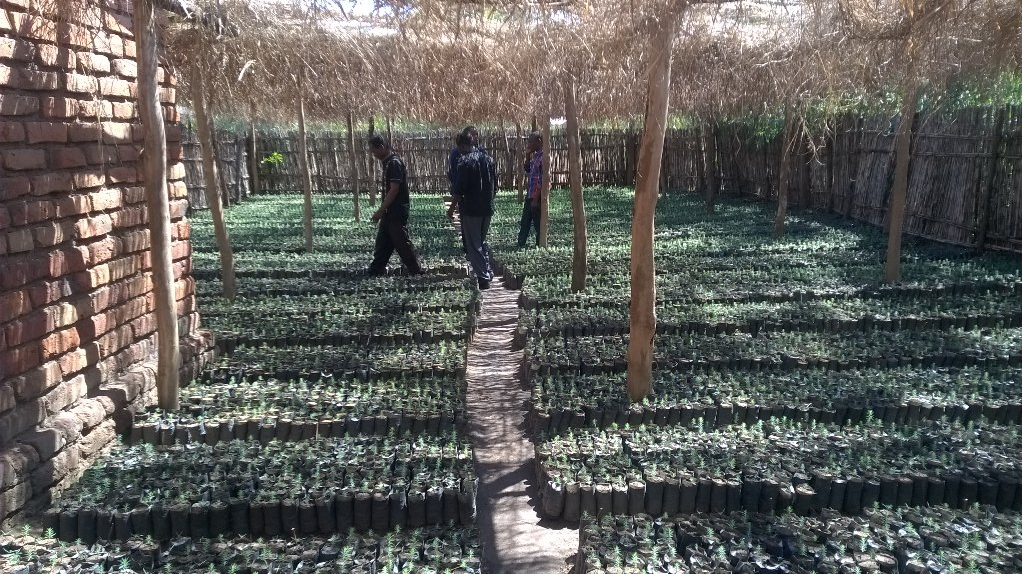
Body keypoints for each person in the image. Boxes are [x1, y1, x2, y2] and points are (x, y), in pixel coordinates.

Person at [368, 135, 423, 276]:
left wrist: (380, 210)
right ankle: (375, 270)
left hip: (396, 211)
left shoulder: (394, 163)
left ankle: (416, 271)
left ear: (381, 147)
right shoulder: (388, 163)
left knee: (401, 243)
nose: (374, 155)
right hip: (389, 212)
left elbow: (394, 189)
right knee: (383, 244)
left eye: (374, 151)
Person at [447, 133, 497, 289]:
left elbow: (458, 189)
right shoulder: (488, 159)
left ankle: (483, 278)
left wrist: (451, 208)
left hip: (471, 209)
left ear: (462, 145)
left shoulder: (464, 161)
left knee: (473, 245)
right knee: (480, 241)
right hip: (487, 208)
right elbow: (496, 185)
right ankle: (488, 271)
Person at [518, 131, 543, 248]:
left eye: (531, 142)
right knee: (525, 222)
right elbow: (527, 169)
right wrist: (527, 155)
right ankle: (520, 245)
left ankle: (540, 245)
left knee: (538, 224)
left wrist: (535, 199)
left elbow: (544, 180)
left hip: (537, 196)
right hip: (531, 194)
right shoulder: (536, 156)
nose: (528, 144)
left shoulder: (544, 157)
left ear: (539, 141)